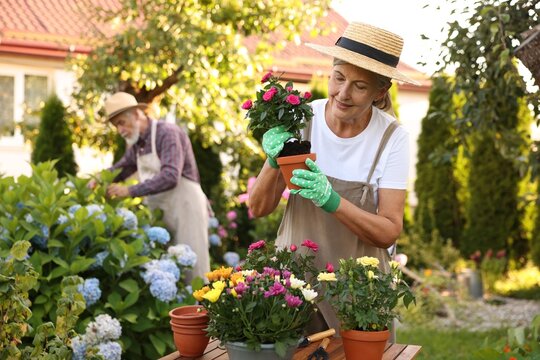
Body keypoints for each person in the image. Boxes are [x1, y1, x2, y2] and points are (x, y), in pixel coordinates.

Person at [248, 22, 419, 336]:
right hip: (295, 288)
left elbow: (388, 231)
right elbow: (258, 208)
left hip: (358, 294)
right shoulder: (302, 119)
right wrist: (273, 162)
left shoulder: (392, 138)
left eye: (360, 86)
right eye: (339, 78)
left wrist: (332, 201)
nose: (343, 93)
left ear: (381, 90)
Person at [89, 92, 210, 280]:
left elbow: (170, 176)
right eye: (116, 126)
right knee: (168, 268)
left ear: (137, 114)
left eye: (121, 122)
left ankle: (203, 309)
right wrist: (99, 179)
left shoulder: (167, 133)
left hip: (185, 207)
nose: (120, 130)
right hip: (163, 211)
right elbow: (120, 169)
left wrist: (129, 190)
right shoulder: (138, 144)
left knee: (193, 268)